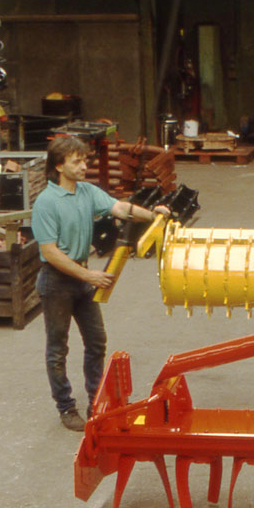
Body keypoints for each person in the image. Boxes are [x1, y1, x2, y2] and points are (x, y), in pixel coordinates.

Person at [32, 134, 168, 431]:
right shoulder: (46, 203)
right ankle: (66, 408)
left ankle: (96, 402)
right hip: (57, 282)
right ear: (59, 165)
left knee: (96, 342)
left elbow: (120, 208)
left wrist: (155, 216)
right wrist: (89, 276)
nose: (84, 166)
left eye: (84, 160)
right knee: (58, 348)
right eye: (76, 161)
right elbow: (49, 252)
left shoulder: (86, 192)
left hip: (81, 278)